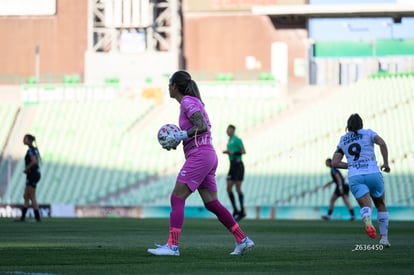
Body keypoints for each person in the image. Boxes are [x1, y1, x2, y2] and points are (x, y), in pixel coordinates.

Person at [147, 71, 254, 256]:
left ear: (174, 86)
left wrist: (181, 135)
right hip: (207, 154)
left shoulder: (187, 102)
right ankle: (242, 239)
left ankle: (172, 246)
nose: (168, 87)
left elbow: (201, 126)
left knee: (177, 197)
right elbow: (199, 129)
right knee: (212, 203)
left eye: (169, 83)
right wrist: (177, 141)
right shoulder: (191, 102)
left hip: (200, 155)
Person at [332, 113, 391, 247]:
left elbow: (335, 162)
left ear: (348, 126)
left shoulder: (343, 139)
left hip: (355, 176)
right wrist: (386, 163)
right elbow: (382, 143)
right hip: (373, 173)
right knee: (380, 204)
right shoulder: (369, 133)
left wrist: (351, 165)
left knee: (366, 206)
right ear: (361, 124)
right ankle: (384, 239)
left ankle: (367, 220)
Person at [223, 124, 246, 221]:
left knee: (237, 188)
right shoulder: (229, 141)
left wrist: (232, 153)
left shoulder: (237, 139)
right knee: (228, 188)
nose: (228, 131)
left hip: (238, 165)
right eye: (227, 130)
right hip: (232, 165)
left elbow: (243, 151)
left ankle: (242, 211)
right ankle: (236, 210)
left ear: (233, 130)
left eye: (229, 130)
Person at [17, 134, 42, 222]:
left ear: (29, 140)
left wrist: (26, 169)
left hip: (33, 174)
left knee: (31, 196)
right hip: (34, 174)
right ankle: (23, 217)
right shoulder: (34, 149)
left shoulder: (31, 150)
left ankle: (37, 218)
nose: (23, 140)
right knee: (26, 196)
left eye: (25, 138)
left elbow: (34, 161)